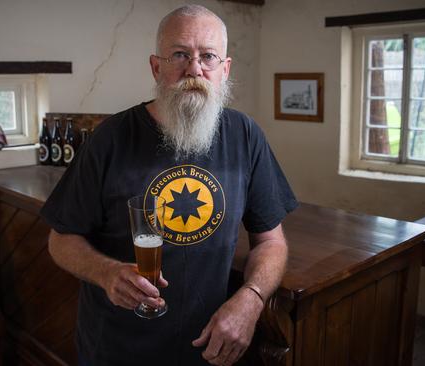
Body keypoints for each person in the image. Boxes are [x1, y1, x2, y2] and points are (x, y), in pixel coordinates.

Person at [40, 4, 298, 366]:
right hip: (116, 349)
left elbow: (271, 240)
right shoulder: (110, 138)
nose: (194, 68)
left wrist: (251, 299)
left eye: (208, 56)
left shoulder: (245, 136)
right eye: (180, 54)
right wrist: (107, 272)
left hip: (210, 347)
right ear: (156, 66)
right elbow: (60, 239)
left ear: (225, 70)